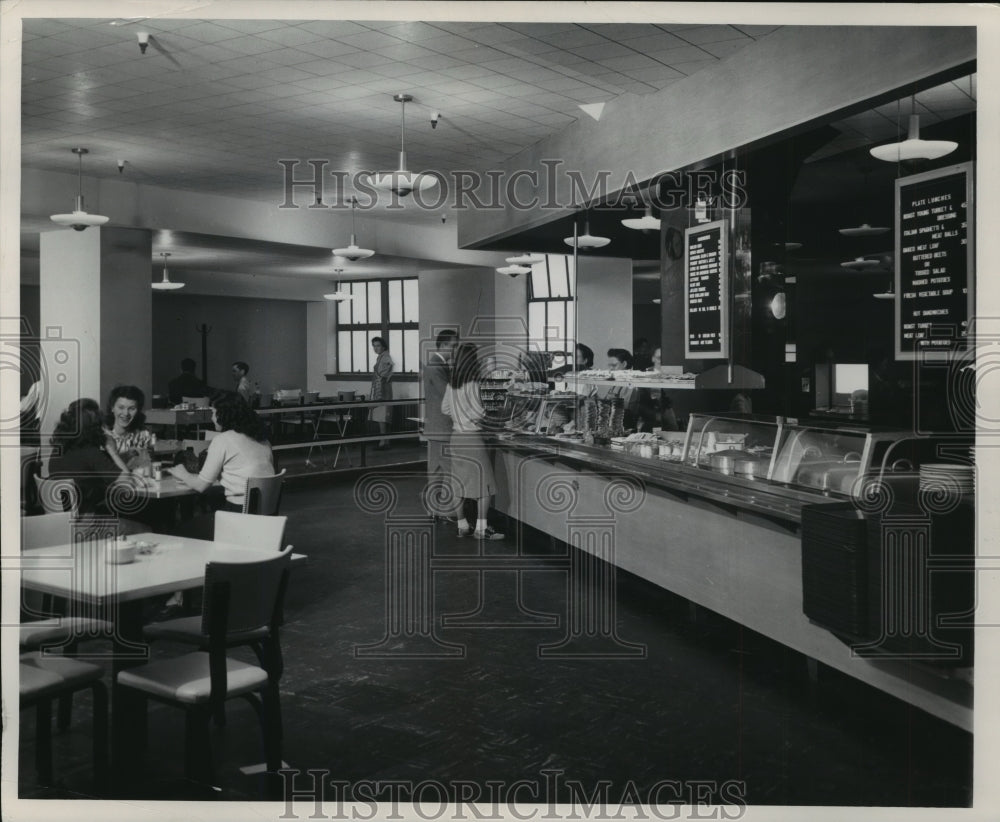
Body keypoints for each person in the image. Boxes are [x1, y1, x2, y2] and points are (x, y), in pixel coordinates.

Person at [46, 399, 144, 533]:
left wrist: (124, 456)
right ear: (94, 426)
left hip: (59, 526)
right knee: (145, 528)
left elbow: (98, 467)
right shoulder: (91, 453)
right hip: (86, 526)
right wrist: (111, 449)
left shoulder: (59, 450)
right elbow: (127, 482)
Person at [168, 391, 274, 513]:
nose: (212, 417)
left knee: (187, 527)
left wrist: (182, 473)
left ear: (223, 414)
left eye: (213, 412)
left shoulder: (223, 440)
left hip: (239, 514)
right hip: (266, 515)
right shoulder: (263, 439)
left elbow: (201, 486)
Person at [441, 343, 504, 541]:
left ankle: (462, 526)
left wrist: (460, 416)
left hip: (456, 437)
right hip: (472, 438)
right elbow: (479, 412)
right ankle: (481, 529)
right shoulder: (474, 384)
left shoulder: (451, 384)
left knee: (459, 483)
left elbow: (445, 409)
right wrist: (479, 415)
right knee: (485, 486)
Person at [423, 329, 461, 521]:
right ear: (444, 345)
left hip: (435, 428)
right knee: (449, 470)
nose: (454, 351)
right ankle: (447, 511)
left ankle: (433, 509)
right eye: (453, 346)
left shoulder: (436, 365)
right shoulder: (437, 366)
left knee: (436, 470)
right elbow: (448, 395)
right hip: (443, 427)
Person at [104, 384, 154, 472]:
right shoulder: (102, 435)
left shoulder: (143, 434)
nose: (126, 413)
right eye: (121, 407)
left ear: (138, 410)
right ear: (112, 408)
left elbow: (148, 467)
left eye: (132, 408)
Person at [369, 337, 394, 449]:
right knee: (381, 416)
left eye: (378, 345)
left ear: (383, 346)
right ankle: (385, 440)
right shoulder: (381, 357)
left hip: (383, 390)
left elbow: (387, 370)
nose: (376, 348)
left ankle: (383, 441)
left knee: (382, 416)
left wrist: (382, 377)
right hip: (381, 388)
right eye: (374, 345)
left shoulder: (385, 357)